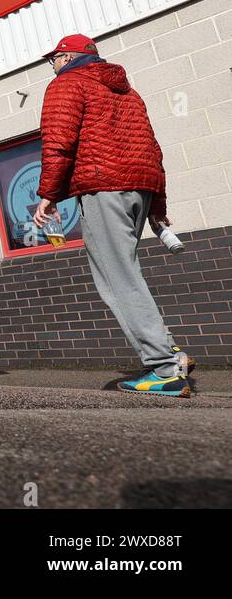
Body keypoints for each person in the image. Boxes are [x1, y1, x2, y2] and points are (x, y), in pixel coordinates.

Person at [34, 34, 190, 397]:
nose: (52, 65)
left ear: (68, 56)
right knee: (127, 270)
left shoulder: (66, 84)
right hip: (140, 187)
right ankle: (170, 350)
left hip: (103, 187)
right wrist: (158, 206)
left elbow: (58, 142)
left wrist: (48, 195)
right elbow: (153, 148)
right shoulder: (127, 91)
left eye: (54, 58)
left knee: (116, 277)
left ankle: (164, 367)